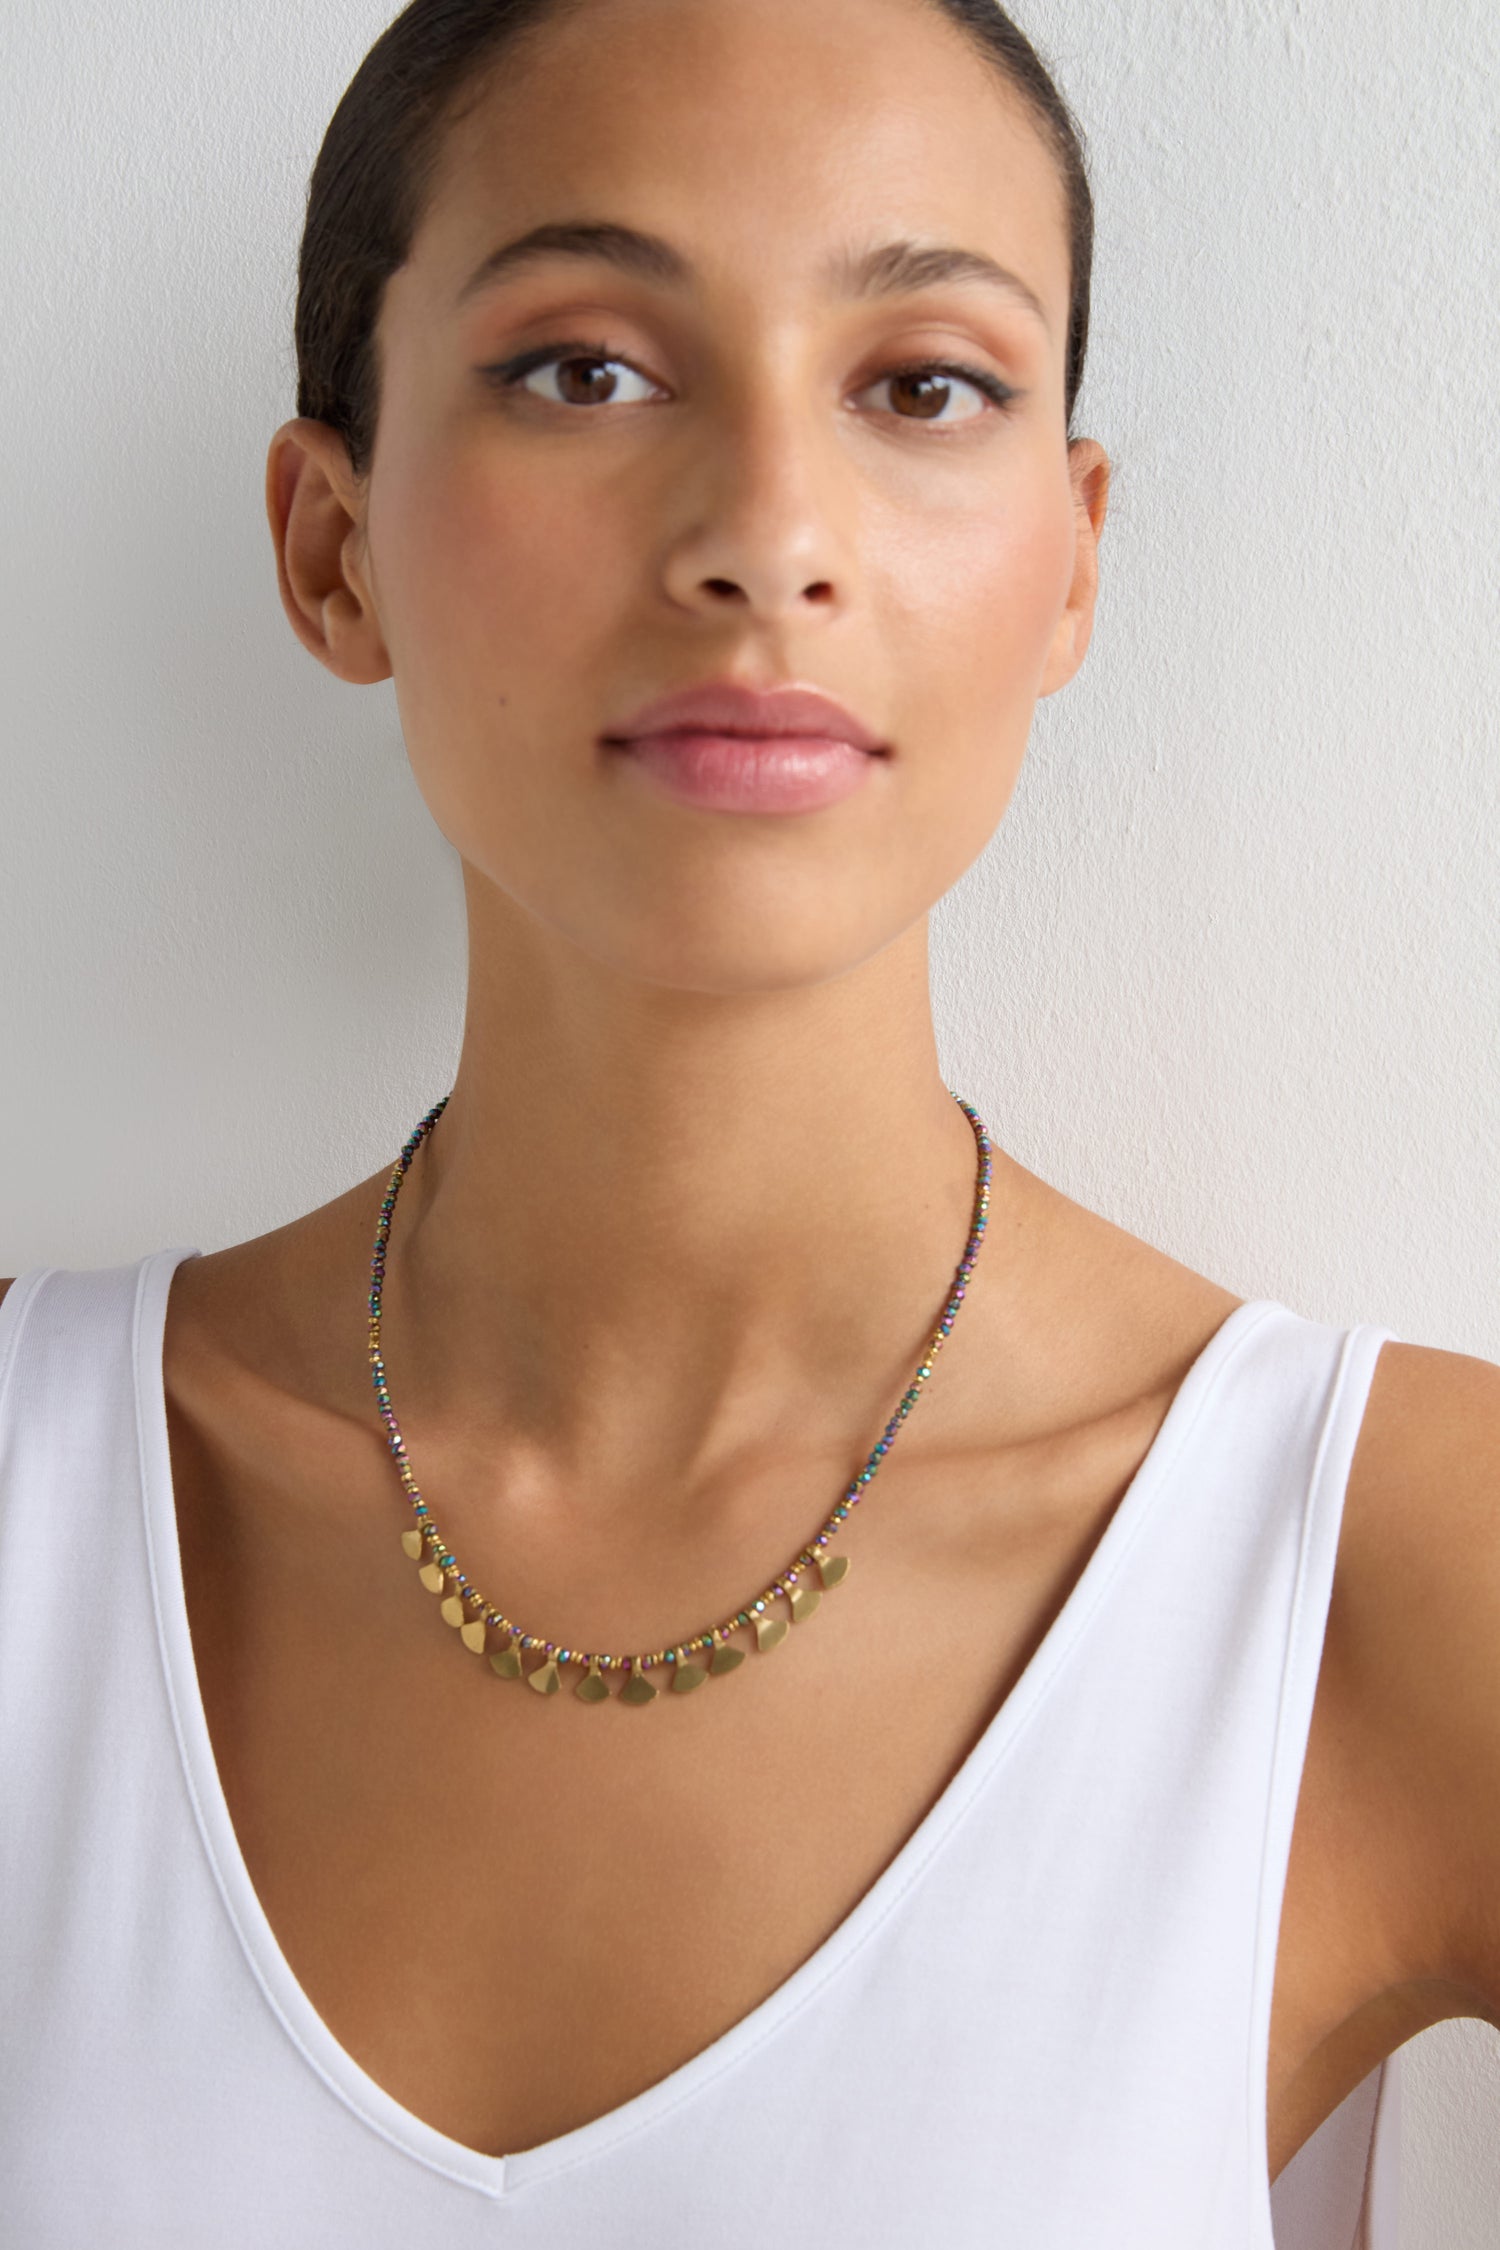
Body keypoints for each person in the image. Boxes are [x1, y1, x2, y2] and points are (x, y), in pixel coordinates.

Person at [0, 0, 1495, 2241]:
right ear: (332, 548)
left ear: (1070, 560)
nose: (766, 535)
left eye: (923, 385)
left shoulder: (1395, 1567)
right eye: (585, 368)